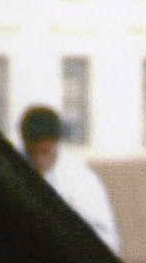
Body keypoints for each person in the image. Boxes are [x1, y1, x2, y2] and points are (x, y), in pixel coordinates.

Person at [19, 104, 122, 251]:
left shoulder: (79, 179)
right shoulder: (17, 167)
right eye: (33, 153)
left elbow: (108, 240)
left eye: (45, 152)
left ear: (55, 144)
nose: (38, 160)